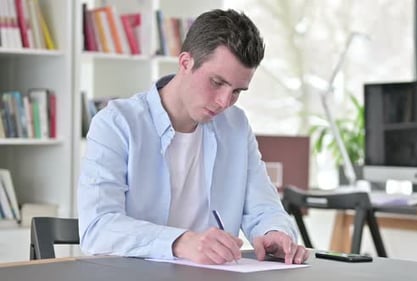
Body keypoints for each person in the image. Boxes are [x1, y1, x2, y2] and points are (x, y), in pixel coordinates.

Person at [78, 9, 309, 265]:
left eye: (237, 91)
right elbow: (97, 228)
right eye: (217, 82)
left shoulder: (236, 126)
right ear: (185, 62)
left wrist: (274, 232)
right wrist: (180, 242)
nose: (224, 102)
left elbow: (264, 207)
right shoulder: (117, 124)